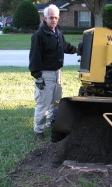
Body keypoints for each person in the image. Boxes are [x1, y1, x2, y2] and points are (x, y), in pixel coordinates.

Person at [29, 4, 78, 141]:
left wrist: (77, 50)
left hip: (57, 74)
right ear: (45, 18)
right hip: (45, 74)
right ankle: (39, 130)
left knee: (56, 102)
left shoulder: (57, 32)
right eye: (51, 17)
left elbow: (65, 46)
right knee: (43, 103)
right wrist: (37, 76)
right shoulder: (39, 35)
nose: (54, 20)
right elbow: (34, 58)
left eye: (56, 17)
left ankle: (51, 124)